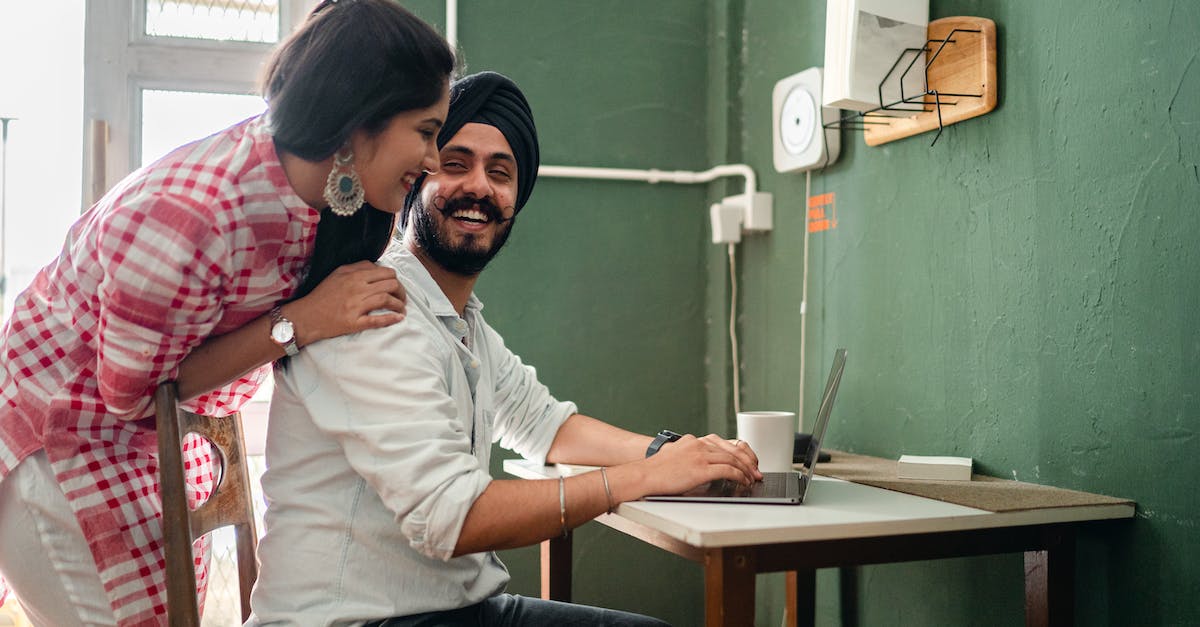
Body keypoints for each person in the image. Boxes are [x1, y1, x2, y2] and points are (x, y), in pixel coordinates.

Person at [249, 71, 762, 626]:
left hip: (450, 610)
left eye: (500, 173)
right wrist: (644, 478)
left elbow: (541, 423)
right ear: (414, 177)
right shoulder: (374, 306)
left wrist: (670, 455)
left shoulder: (459, 318)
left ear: (517, 198)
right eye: (455, 163)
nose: (478, 187)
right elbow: (454, 516)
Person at [0, 1, 455, 624]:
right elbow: (132, 393)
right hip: (61, 442)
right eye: (427, 132)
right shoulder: (189, 217)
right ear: (360, 121)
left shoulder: (325, 198)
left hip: (147, 441)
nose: (433, 161)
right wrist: (302, 320)